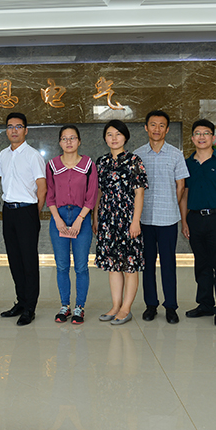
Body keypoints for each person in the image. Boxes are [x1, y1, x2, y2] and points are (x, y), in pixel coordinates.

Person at [179, 119, 216, 327]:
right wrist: (184, 221)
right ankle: (205, 304)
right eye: (197, 133)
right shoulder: (187, 164)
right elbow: (184, 194)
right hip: (195, 219)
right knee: (201, 264)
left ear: (213, 137)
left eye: (206, 133)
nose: (202, 137)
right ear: (192, 138)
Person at [134, 110, 189, 324]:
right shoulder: (137, 155)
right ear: (146, 127)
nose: (157, 129)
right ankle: (151, 305)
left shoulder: (175, 154)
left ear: (167, 129)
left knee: (169, 263)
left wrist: (171, 204)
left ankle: (171, 306)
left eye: (161, 125)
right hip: (144, 219)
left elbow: (181, 185)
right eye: (153, 124)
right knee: (147, 264)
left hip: (167, 219)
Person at [94, 120, 148, 325]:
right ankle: (116, 305)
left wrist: (135, 222)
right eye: (109, 134)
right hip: (107, 220)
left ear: (125, 137)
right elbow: (99, 193)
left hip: (128, 220)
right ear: (105, 138)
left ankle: (126, 308)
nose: (114, 138)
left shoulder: (134, 161)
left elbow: (139, 193)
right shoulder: (102, 162)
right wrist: (96, 217)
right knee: (113, 265)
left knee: (129, 265)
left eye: (118, 134)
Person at [0, 112, 46, 326]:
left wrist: (34, 213)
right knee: (14, 259)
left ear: (26, 130)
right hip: (8, 211)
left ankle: (30, 308)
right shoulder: (2, 155)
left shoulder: (33, 155)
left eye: (18, 126)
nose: (14, 130)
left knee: (29, 261)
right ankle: (21, 302)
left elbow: (42, 188)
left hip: (27, 211)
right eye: (10, 126)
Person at [46, 125, 97, 324]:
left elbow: (91, 196)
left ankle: (79, 307)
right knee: (61, 265)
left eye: (72, 138)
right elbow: (50, 195)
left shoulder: (88, 164)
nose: (68, 142)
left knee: (81, 266)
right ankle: (65, 306)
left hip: (80, 216)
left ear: (79, 141)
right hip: (58, 216)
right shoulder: (52, 165)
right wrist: (58, 219)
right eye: (64, 138)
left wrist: (79, 219)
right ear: (59, 142)